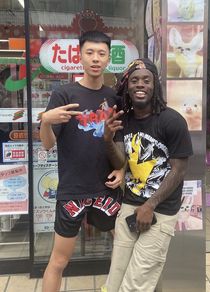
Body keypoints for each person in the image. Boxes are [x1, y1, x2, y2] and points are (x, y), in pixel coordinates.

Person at [40, 30, 125, 292]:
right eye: (90, 53)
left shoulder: (114, 98)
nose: (95, 58)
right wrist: (45, 121)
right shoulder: (64, 95)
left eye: (101, 53)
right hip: (72, 189)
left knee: (123, 252)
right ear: (80, 56)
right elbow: (47, 144)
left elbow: (121, 144)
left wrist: (122, 170)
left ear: (109, 58)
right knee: (59, 260)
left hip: (106, 188)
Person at [103, 58, 193, 292]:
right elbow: (121, 161)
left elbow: (179, 169)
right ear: (127, 87)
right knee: (115, 279)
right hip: (130, 206)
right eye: (134, 80)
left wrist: (150, 205)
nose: (140, 84)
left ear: (155, 85)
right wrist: (107, 139)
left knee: (136, 282)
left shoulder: (172, 121)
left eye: (146, 80)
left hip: (160, 210)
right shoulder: (124, 120)